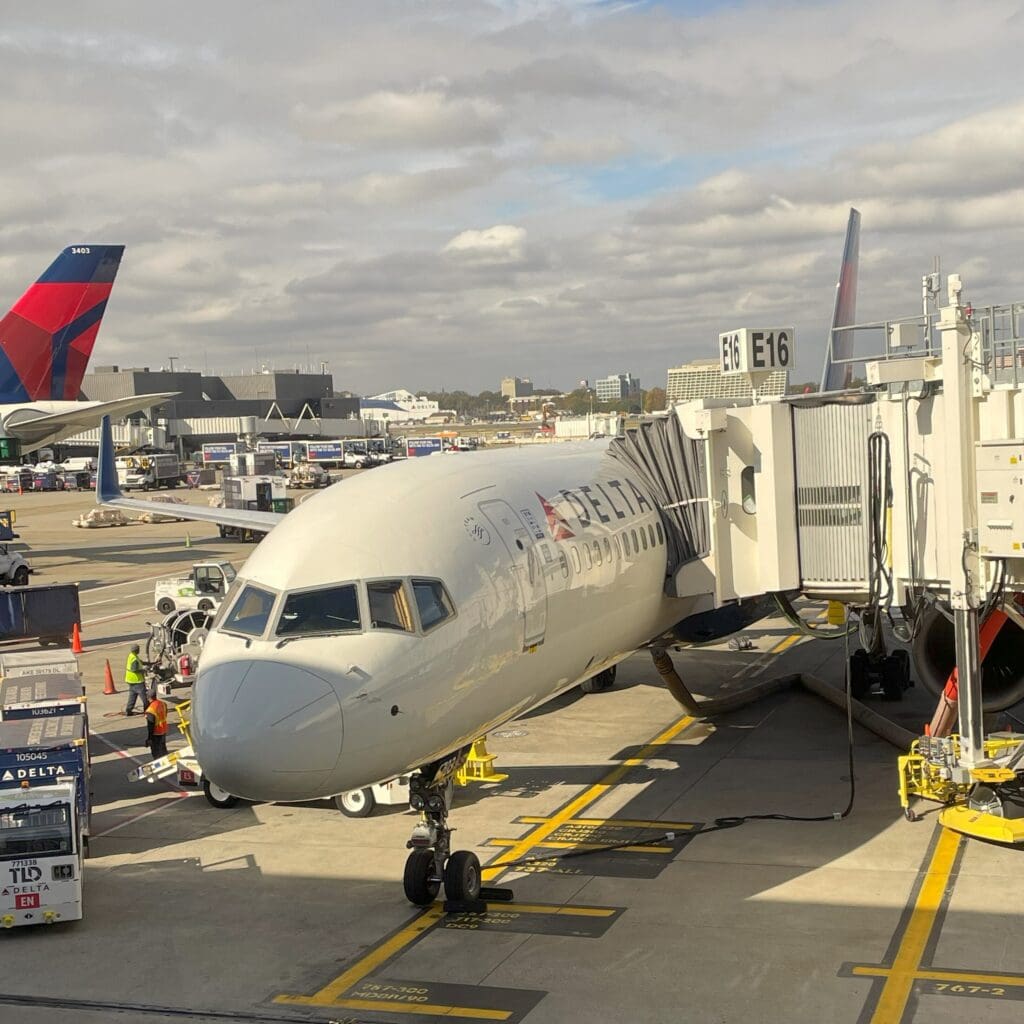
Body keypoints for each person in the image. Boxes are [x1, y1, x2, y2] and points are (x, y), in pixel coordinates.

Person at [124, 644, 149, 716]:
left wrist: (152, 663)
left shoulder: (132, 656)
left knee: (132, 696)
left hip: (130, 680)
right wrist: (143, 670)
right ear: (137, 650)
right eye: (138, 649)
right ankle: (147, 711)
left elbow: (141, 662)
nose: (139, 650)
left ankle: (128, 711)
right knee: (145, 698)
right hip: (137, 681)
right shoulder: (134, 659)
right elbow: (134, 669)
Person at [145, 692, 169, 760]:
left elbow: (150, 726)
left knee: (156, 750)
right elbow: (165, 714)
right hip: (163, 729)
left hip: (156, 732)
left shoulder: (150, 710)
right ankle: (166, 760)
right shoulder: (163, 703)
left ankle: (158, 762)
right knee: (163, 747)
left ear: (149, 698)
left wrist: (149, 738)